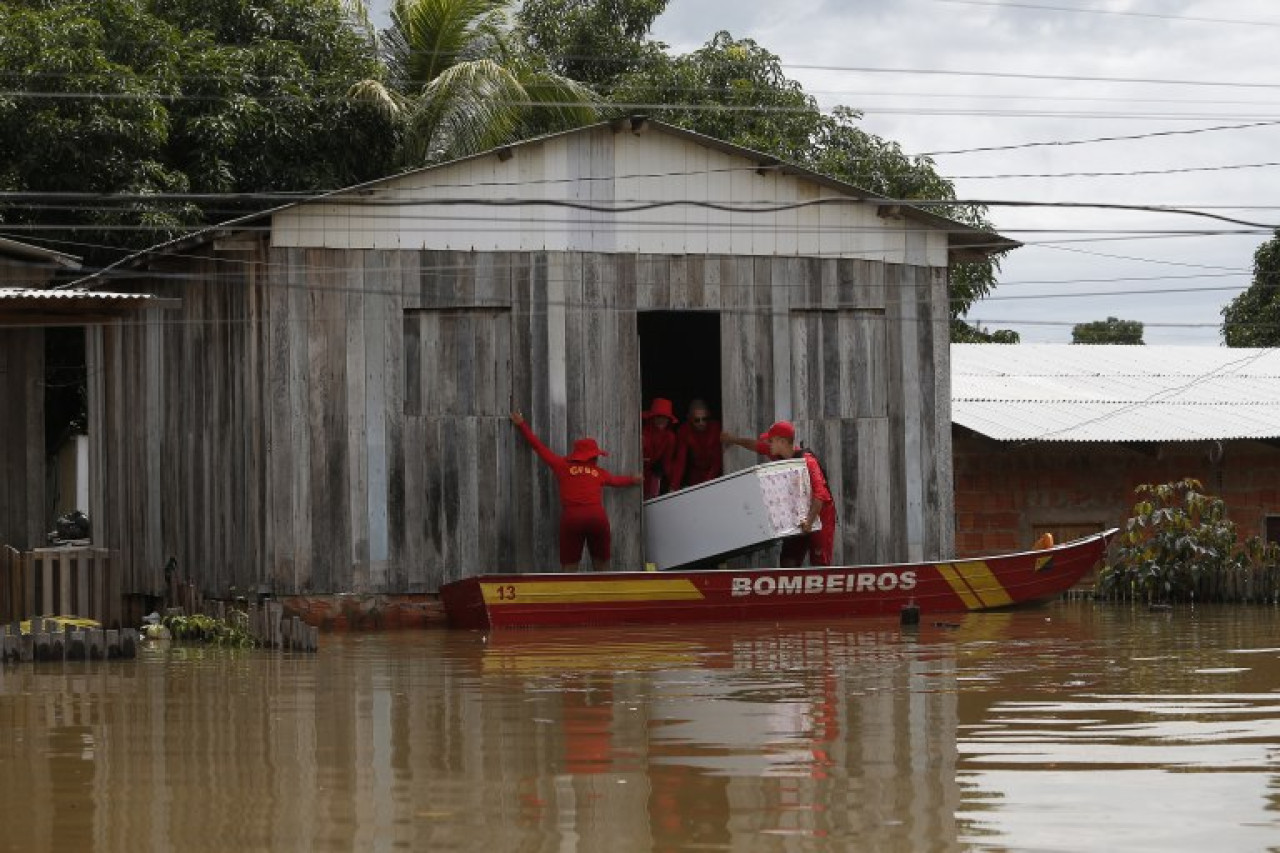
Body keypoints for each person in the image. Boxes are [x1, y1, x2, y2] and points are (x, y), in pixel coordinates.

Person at [510, 410, 640, 572]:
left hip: (572, 519)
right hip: (596, 518)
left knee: (569, 568)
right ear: (593, 457)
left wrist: (521, 425)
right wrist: (633, 479)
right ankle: (602, 595)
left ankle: (569, 596)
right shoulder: (599, 472)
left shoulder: (562, 465)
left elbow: (538, 447)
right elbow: (617, 481)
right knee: (602, 566)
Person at [723, 420, 837, 567]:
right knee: (788, 561)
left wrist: (809, 521)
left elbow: (820, 495)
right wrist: (733, 440)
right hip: (798, 513)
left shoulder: (808, 461)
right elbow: (756, 446)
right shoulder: (779, 455)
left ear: (782, 442)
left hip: (821, 513)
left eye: (770, 441)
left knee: (820, 562)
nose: (768, 444)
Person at [670, 398, 723, 489]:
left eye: (704, 419)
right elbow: (680, 460)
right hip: (695, 473)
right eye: (697, 420)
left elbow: (717, 460)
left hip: (716, 473)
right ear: (690, 419)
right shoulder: (684, 430)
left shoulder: (716, 428)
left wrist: (708, 483)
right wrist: (673, 486)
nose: (701, 423)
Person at [641, 397, 679, 498]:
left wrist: (673, 486)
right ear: (652, 417)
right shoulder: (642, 433)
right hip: (637, 472)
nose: (662, 420)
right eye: (658, 416)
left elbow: (667, 463)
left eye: (665, 417)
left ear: (669, 419)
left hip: (653, 476)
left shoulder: (670, 437)